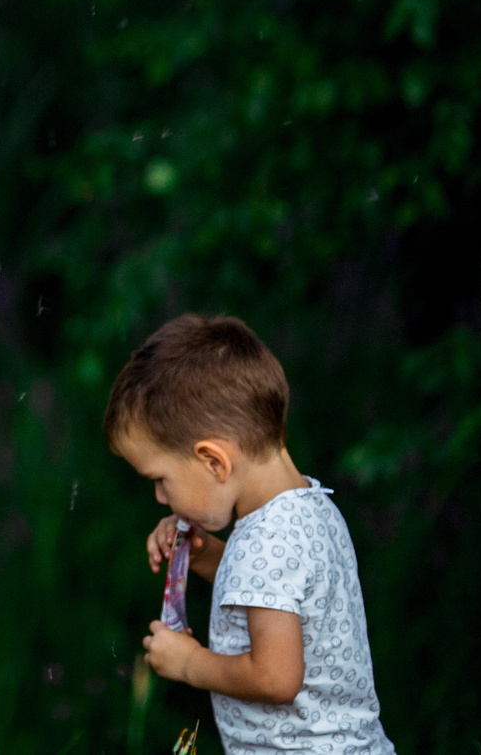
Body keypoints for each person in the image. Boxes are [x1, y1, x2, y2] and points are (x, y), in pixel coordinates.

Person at [108, 314, 396, 755]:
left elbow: (275, 678)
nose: (160, 497)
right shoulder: (308, 508)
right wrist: (201, 556)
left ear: (214, 462)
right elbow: (273, 596)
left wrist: (190, 663)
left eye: (162, 479)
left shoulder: (268, 539)